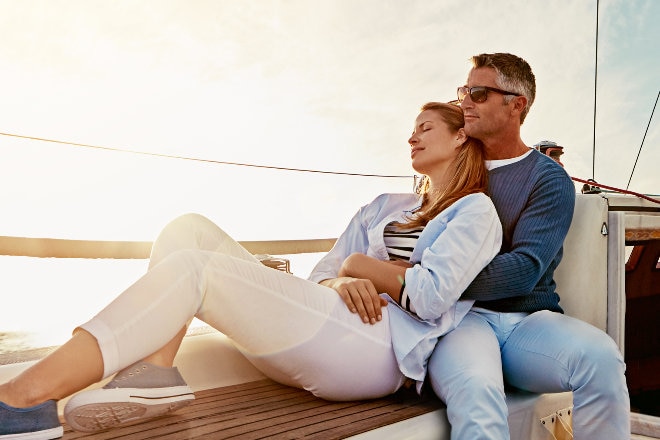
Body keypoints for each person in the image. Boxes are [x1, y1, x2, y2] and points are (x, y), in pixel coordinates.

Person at [0, 102, 502, 439]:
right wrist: (342, 277)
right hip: (330, 321)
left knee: (198, 269)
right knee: (187, 229)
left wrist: (359, 265)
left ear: (461, 138)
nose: (411, 136)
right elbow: (322, 273)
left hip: (380, 348)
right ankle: (155, 373)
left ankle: (25, 400)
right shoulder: (382, 205)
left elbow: (433, 298)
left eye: (425, 128)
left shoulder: (473, 211)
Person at [426, 53, 631, 439]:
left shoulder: (547, 177)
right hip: (460, 319)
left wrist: (431, 281)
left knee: (602, 359)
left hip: (528, 323)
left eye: (479, 92)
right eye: (463, 91)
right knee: (477, 390)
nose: (465, 101)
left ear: (516, 105)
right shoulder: (449, 168)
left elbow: (523, 270)